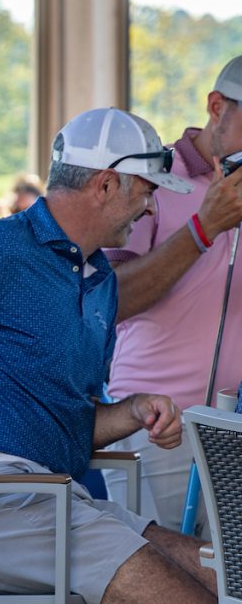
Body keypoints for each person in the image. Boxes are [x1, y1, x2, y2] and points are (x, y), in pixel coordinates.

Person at [0, 107, 219, 604]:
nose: (152, 208)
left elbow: (71, 421)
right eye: (148, 190)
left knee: (224, 577)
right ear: (108, 184)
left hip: (58, 499)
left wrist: (132, 410)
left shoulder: (100, 281)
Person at [102, 55, 242, 536]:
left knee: (224, 596)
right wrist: (204, 228)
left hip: (234, 427)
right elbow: (111, 299)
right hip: (156, 424)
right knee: (151, 587)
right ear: (217, 106)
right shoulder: (152, 178)